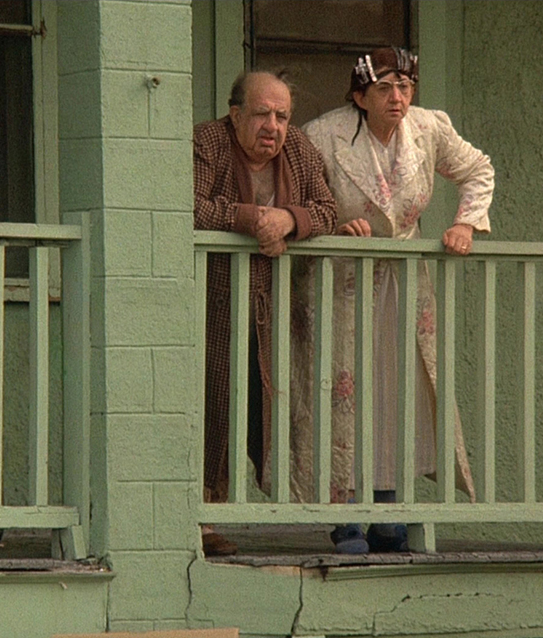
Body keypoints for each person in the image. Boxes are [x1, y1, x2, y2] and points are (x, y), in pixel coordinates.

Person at [290, 47, 494, 553]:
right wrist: (333, 226)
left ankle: (389, 510)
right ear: (360, 96)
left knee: (394, 391)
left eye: (404, 86)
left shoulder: (428, 129)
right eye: (384, 88)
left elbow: (478, 169)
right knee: (340, 392)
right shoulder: (323, 135)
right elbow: (297, 198)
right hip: (339, 281)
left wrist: (465, 223)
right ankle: (342, 517)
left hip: (402, 282)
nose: (397, 97)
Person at [194, 71, 338, 556]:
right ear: (235, 115)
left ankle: (228, 509)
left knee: (263, 406)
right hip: (209, 301)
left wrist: (290, 220)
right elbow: (187, 206)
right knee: (211, 405)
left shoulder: (297, 149)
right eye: (261, 114)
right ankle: (201, 518)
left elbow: (327, 209)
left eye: (282, 115)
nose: (272, 126)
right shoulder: (207, 143)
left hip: (272, 308)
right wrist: (253, 219)